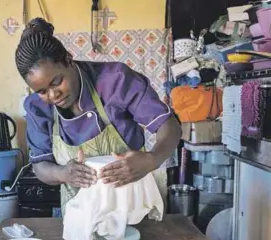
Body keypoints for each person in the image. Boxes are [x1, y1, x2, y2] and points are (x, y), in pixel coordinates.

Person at [15, 18, 182, 215]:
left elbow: (169, 126)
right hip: (79, 216)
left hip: (130, 208)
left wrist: (152, 159)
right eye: (42, 91)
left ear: (68, 59)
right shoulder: (37, 107)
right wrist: (62, 173)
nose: (53, 96)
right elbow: (40, 166)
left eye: (56, 82)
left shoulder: (115, 81)